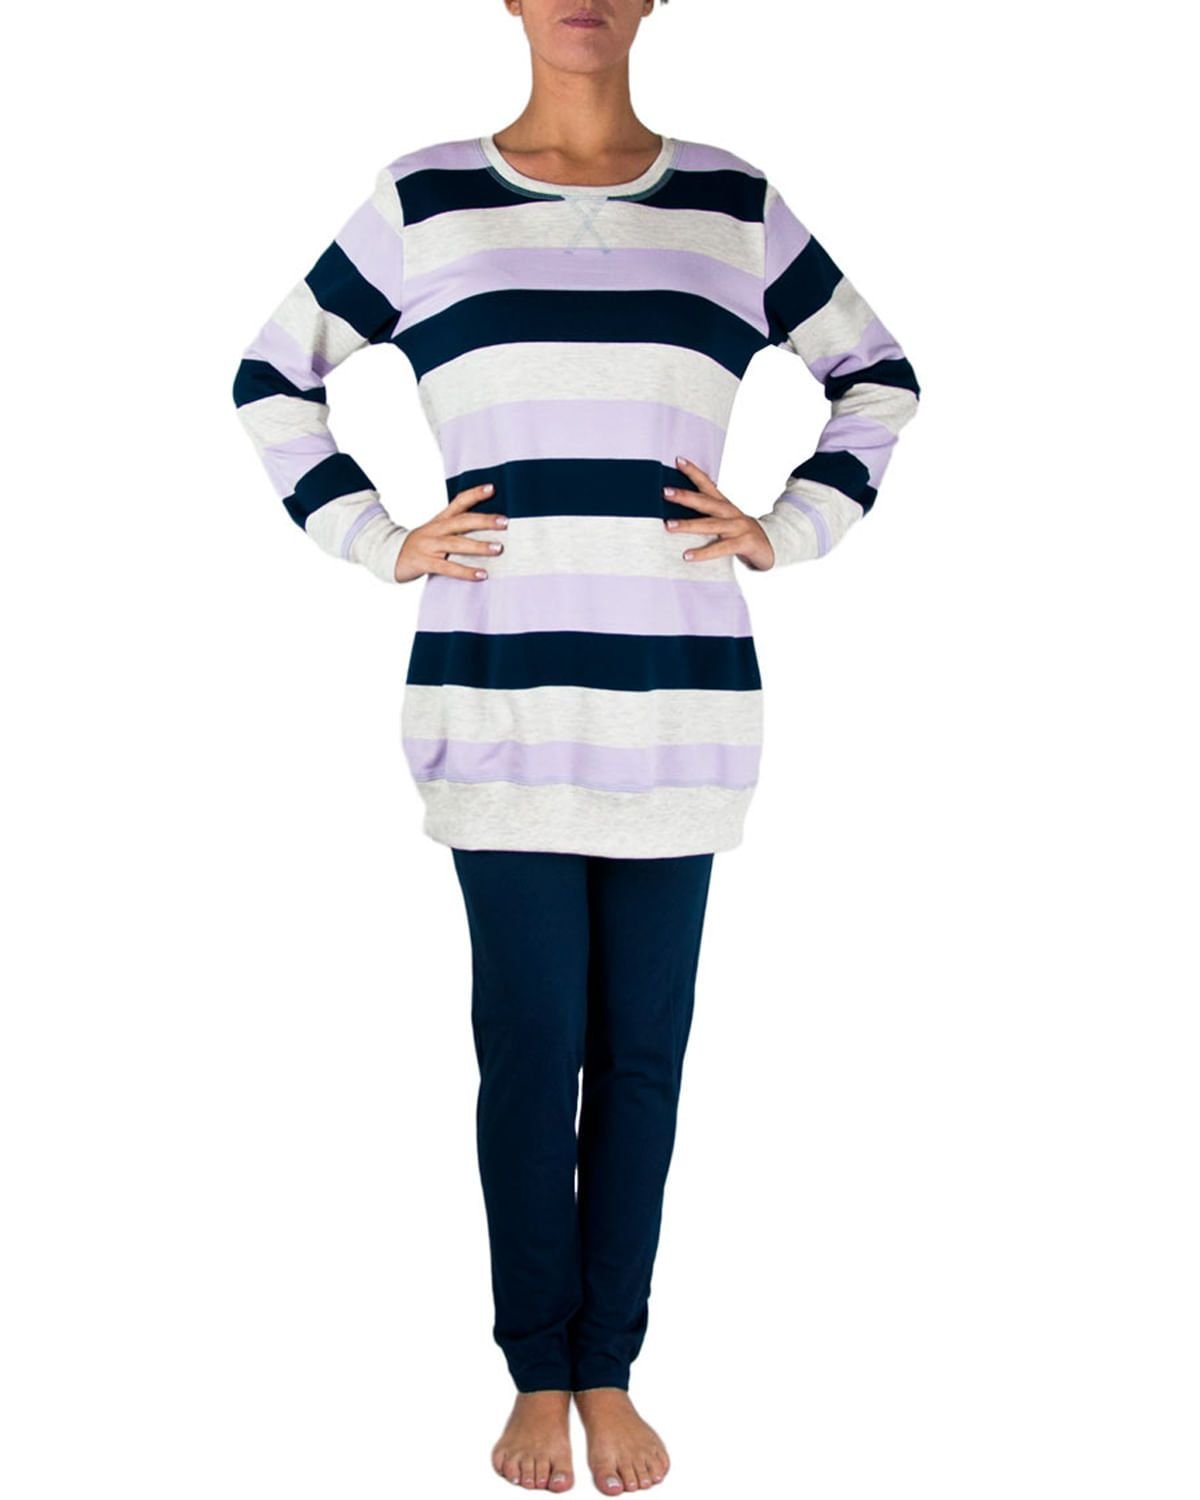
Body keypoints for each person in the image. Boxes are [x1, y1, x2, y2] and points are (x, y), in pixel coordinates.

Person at [231, 1, 921, 1490]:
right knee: (531, 1053)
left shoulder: (733, 201)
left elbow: (878, 377)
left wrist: (790, 525)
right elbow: (270, 379)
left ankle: (610, 1366)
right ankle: (536, 1371)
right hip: (498, 694)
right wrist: (378, 536)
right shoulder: (424, 197)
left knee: (645, 1058)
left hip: (680, 702)